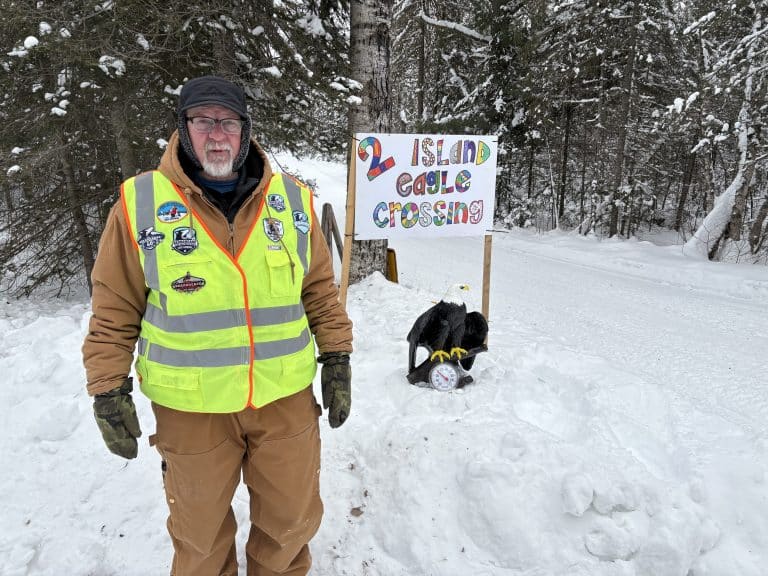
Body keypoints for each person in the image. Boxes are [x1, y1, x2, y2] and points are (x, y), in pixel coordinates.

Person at [82, 75, 353, 576]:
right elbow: (114, 306)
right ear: (183, 129)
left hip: (285, 401)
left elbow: (319, 290)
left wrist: (337, 356)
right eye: (203, 121)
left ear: (246, 130)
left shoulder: (292, 202)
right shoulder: (141, 205)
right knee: (200, 540)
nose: (217, 134)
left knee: (290, 526)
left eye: (228, 122)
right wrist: (106, 385)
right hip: (192, 407)